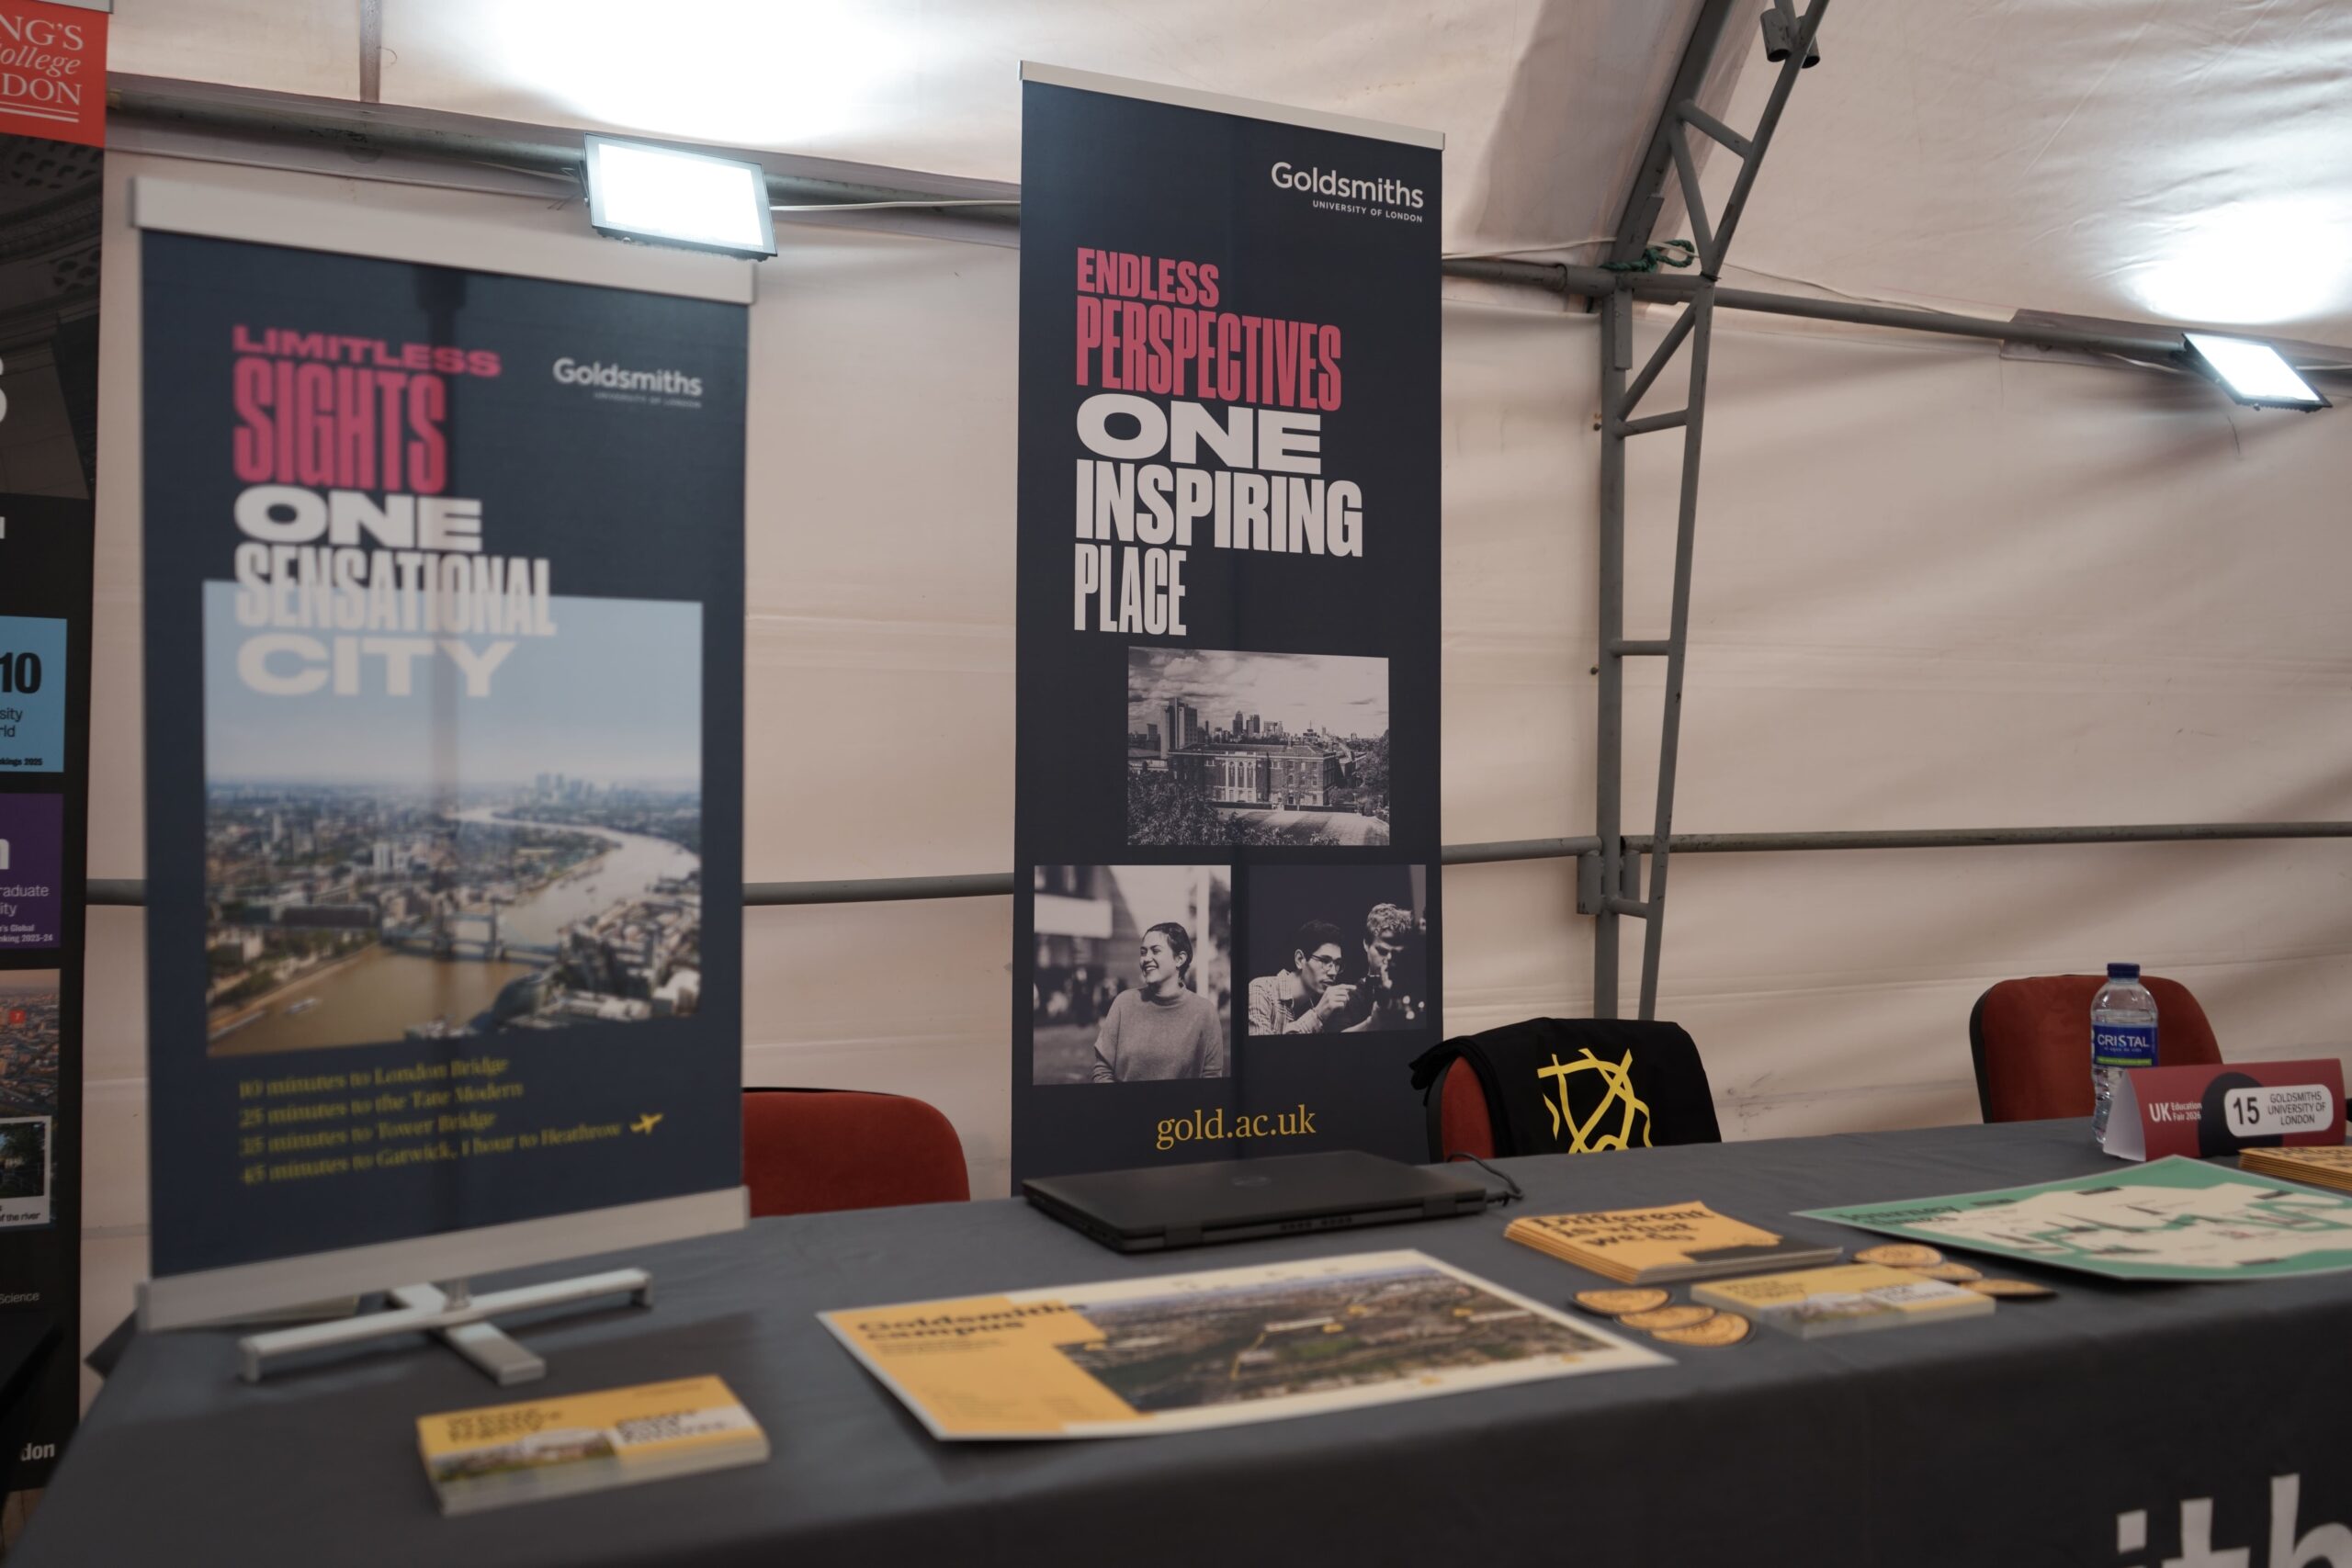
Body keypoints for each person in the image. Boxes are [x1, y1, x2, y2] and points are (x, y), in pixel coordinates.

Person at [1090, 921, 1227, 1082]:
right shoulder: (1123, 1003)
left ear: (1179, 959)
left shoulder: (1205, 1012)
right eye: (1143, 952)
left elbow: (1211, 1077)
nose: (1146, 959)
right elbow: (1103, 1071)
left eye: (1155, 951)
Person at [1247, 919, 1364, 1034]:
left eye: (1337, 963)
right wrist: (1317, 1015)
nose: (1333, 972)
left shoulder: (1316, 1007)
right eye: (1324, 960)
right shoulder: (1260, 991)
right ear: (1300, 959)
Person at [1351, 901, 1423, 1030]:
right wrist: (1372, 1023)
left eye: (1396, 953)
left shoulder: (1417, 990)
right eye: (1382, 951)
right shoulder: (1350, 996)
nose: (1388, 960)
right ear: (1366, 944)